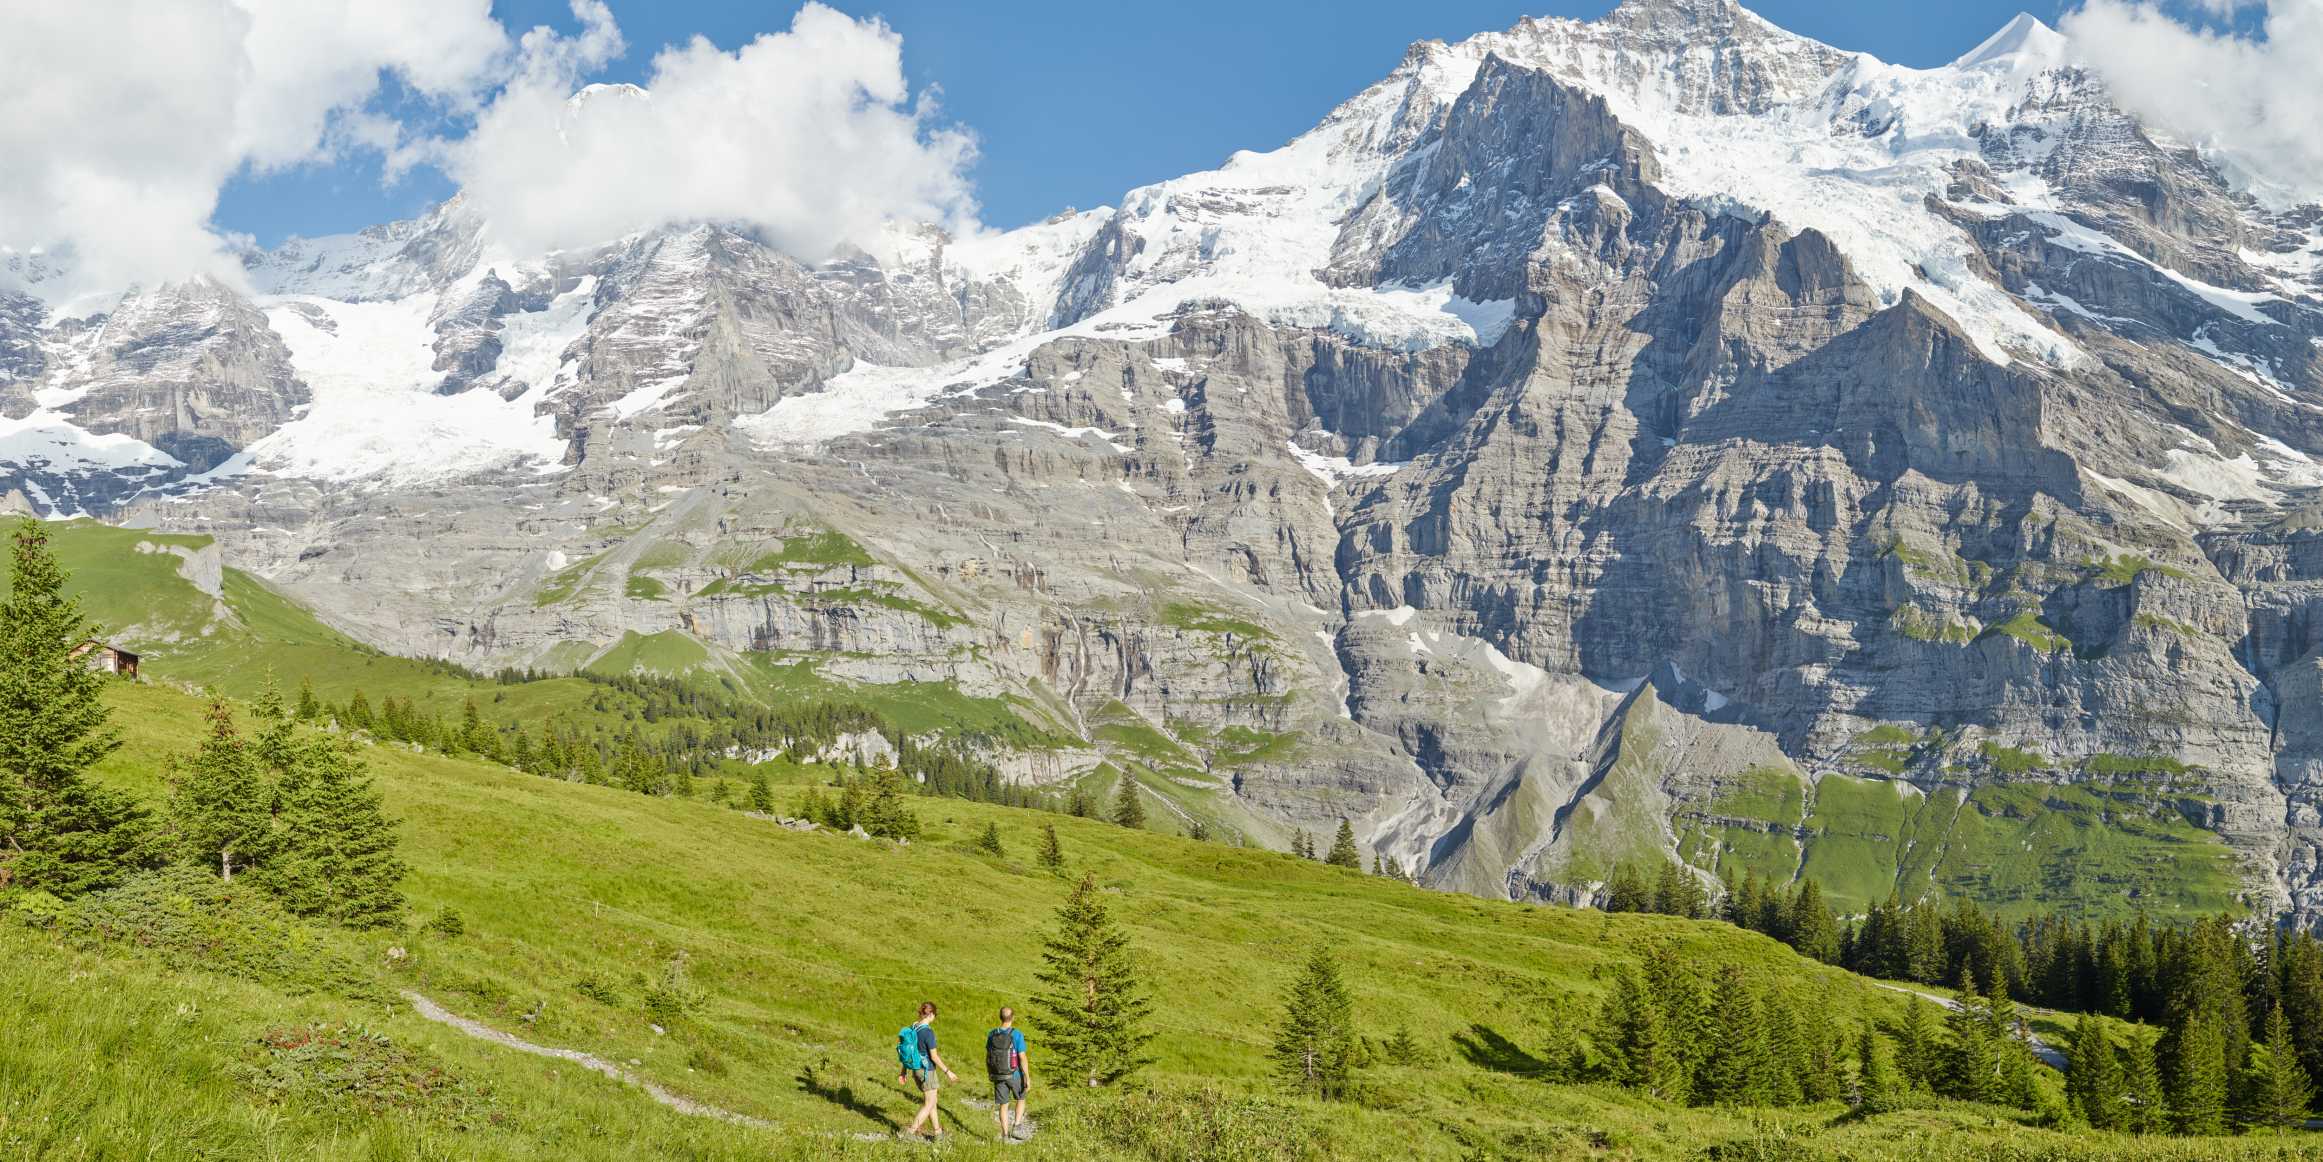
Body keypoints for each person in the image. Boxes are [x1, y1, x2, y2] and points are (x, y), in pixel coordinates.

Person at [896, 1000, 957, 1141]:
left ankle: (938, 1134)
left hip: (916, 1069)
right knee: (929, 1103)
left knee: (932, 1102)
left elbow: (909, 1051)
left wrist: (903, 1071)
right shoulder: (928, 1033)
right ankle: (909, 1133)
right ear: (931, 1015)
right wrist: (948, 1072)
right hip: (927, 1071)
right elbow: (934, 1057)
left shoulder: (914, 1027)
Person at [985, 1006, 1032, 1140]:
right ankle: (1016, 1126)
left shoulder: (992, 1034)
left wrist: (990, 1072)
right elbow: (1022, 1057)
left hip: (998, 1075)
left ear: (1000, 1017)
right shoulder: (1017, 1034)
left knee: (1003, 1105)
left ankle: (1005, 1135)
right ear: (1013, 1017)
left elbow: (988, 1056)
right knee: (1021, 1098)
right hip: (1015, 1074)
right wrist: (1027, 1077)